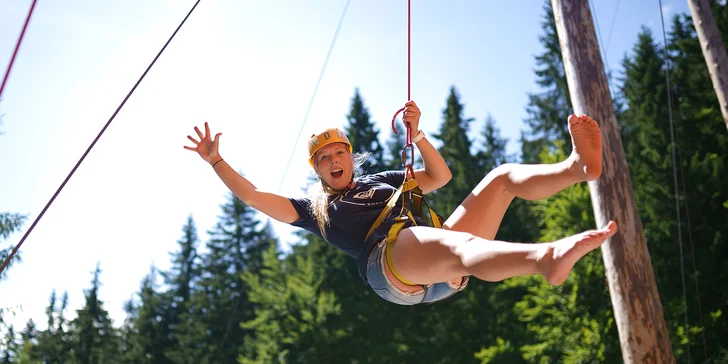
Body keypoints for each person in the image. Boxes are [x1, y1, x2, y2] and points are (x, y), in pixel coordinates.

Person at [184, 100, 617, 306]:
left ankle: (578, 167)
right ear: (317, 170)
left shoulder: (385, 180)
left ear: (351, 157)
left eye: (339, 153)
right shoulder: (315, 211)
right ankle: (545, 258)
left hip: (435, 255)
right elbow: (254, 196)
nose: (334, 161)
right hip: (392, 269)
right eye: (324, 159)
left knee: (501, 178)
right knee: (446, 244)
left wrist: (419, 135)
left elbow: (440, 177)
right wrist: (216, 161)